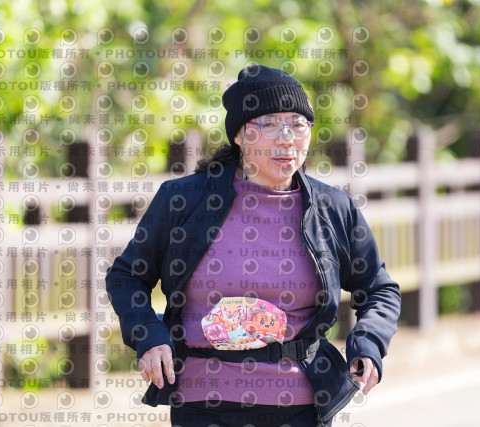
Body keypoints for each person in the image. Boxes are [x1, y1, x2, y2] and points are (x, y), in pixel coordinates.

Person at [106, 64, 401, 427]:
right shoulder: (184, 200)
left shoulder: (332, 208)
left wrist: (368, 344)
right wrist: (149, 336)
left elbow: (379, 289)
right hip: (203, 399)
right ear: (240, 135)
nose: (286, 138)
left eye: (298, 124)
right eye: (270, 124)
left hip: (300, 406)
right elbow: (127, 276)